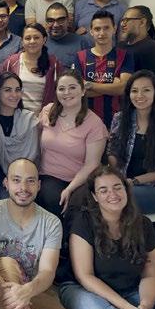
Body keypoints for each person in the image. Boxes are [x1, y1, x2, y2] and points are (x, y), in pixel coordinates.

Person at [59, 165, 155, 309]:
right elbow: (85, 276)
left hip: (131, 290)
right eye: (103, 190)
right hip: (84, 290)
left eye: (117, 187)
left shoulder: (144, 224)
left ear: (126, 190)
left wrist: (144, 308)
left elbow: (152, 274)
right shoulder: (83, 222)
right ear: (95, 196)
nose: (112, 194)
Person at [0, 158, 81, 309]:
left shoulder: (51, 222)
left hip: (33, 292)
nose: (23, 188)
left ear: (39, 185)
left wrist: (27, 291)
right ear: (6, 183)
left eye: (30, 181)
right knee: (6, 263)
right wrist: (11, 296)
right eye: (16, 180)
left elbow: (47, 271)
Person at [107, 70, 155, 214]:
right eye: (134, 91)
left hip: (153, 190)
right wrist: (118, 178)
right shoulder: (120, 118)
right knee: (94, 192)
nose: (139, 95)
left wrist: (133, 181)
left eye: (146, 90)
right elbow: (112, 151)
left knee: (112, 198)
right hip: (121, 183)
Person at [38, 69, 108, 219]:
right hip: (47, 175)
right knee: (53, 198)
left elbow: (92, 164)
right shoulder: (47, 111)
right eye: (61, 88)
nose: (66, 92)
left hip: (79, 179)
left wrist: (70, 188)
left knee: (78, 206)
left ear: (83, 91)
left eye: (72, 87)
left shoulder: (95, 123)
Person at [74, 10, 134, 127]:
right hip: (85, 121)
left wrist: (89, 84)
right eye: (97, 29)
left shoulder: (125, 56)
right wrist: (112, 86)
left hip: (116, 122)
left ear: (114, 29)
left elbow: (123, 88)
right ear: (91, 32)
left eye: (106, 28)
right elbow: (77, 92)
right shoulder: (80, 56)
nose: (102, 33)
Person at [0, 72, 39, 198]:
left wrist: (15, 178)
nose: (14, 95)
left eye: (17, 90)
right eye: (8, 90)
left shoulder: (29, 119)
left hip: (23, 174)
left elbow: (32, 156)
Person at [2, 23, 62, 113]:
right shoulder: (11, 62)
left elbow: (59, 94)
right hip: (16, 116)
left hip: (45, 116)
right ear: (22, 41)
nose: (32, 41)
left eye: (36, 38)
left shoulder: (54, 64)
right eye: (28, 38)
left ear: (44, 40)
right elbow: (3, 91)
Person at [119, 5, 155, 95]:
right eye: (122, 20)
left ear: (142, 22)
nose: (122, 24)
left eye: (127, 20)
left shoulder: (153, 50)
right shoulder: (121, 45)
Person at [44, 2, 87, 69]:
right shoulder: (39, 43)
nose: (55, 25)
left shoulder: (82, 43)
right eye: (50, 20)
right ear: (46, 23)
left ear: (68, 21)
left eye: (60, 20)